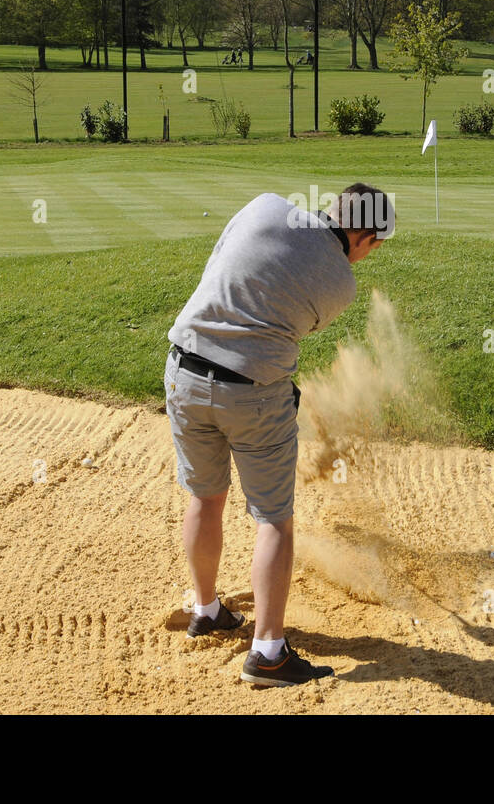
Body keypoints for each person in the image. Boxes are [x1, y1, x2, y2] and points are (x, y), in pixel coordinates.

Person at [164, 183, 396, 686]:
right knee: (274, 520)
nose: (371, 255)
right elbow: (288, 323)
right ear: (361, 233)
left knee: (205, 498)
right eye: (376, 244)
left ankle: (205, 610)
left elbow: (224, 259)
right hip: (253, 395)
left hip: (182, 370)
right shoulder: (341, 285)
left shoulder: (265, 204)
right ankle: (268, 654)